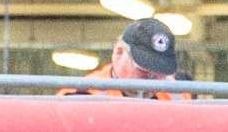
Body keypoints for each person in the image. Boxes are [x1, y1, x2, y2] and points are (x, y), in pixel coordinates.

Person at [56, 17, 193, 99]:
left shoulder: (180, 94)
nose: (151, 79)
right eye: (143, 70)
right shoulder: (79, 97)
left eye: (159, 73)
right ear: (119, 53)